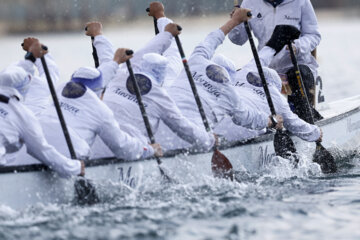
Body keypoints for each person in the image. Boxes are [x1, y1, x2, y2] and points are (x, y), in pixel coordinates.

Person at [37, 31, 162, 160]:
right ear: (98, 90)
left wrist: (115, 61)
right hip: (69, 159)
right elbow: (123, 147)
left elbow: (101, 77)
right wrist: (148, 150)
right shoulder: (101, 111)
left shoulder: (59, 89)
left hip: (35, 149)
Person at [96, 18, 215, 152]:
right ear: (162, 76)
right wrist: (209, 140)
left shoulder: (118, 73)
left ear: (141, 65)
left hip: (98, 140)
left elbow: (106, 57)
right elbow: (183, 127)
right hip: (130, 149)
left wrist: (98, 36)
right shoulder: (160, 96)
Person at [167, 7, 284, 144]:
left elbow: (211, 40)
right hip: (194, 139)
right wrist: (271, 121)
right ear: (232, 78)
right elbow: (246, 117)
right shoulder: (230, 94)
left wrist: (234, 21)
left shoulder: (195, 61)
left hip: (161, 128)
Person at [0, 42, 84, 177]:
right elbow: (44, 152)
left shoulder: (6, 81)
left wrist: (30, 57)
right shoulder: (23, 116)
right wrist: (76, 167)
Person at [229, 0, 322, 121]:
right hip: (267, 68)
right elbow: (237, 39)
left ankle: (304, 118)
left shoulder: (301, 2)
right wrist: (235, 21)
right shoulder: (250, 3)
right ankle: (261, 123)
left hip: (296, 65)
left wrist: (297, 46)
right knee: (239, 80)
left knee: (300, 74)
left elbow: (313, 35)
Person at [232, 24, 323, 143]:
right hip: (243, 131)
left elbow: (263, 56)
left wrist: (277, 39)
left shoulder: (246, 71)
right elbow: (294, 124)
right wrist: (316, 133)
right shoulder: (277, 100)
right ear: (276, 85)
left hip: (221, 120)